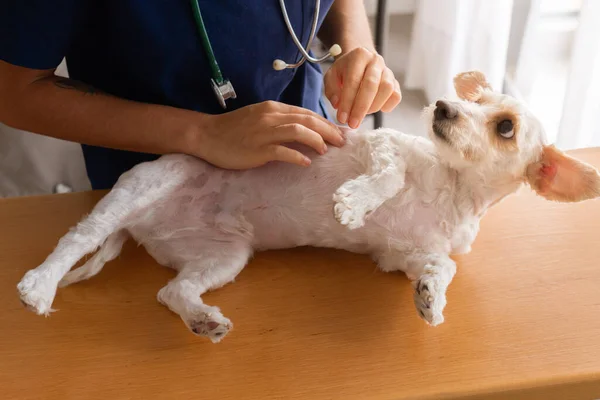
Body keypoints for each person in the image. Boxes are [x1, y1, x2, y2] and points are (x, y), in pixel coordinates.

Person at [0, 1, 402, 190]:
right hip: (161, 190)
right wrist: (202, 134)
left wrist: (353, 49)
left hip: (304, 157)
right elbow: (15, 92)